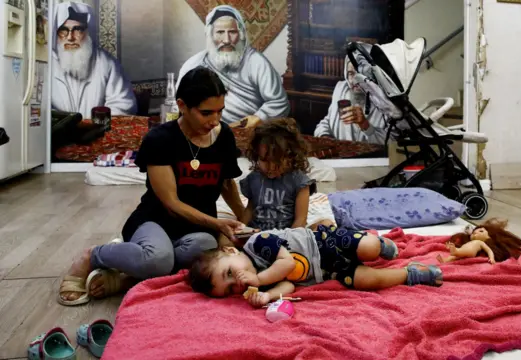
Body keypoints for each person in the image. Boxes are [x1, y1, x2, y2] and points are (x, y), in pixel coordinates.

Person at [57, 67, 246, 306]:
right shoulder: (160, 139)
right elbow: (171, 203)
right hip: (156, 220)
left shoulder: (224, 136)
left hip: (197, 229)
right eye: (206, 112)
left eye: (220, 111)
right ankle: (93, 256)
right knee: (160, 259)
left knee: (207, 250)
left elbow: (227, 183)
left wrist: (244, 221)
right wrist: (218, 223)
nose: (215, 120)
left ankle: (129, 274)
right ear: (182, 105)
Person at [189, 226, 443, 307]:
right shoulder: (260, 281)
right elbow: (289, 282)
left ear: (231, 251)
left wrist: (259, 281)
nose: (240, 280)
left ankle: (377, 241)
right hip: (328, 271)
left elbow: (286, 263)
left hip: (326, 243)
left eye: (230, 273)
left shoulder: (257, 243)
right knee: (368, 281)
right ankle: (410, 274)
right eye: (232, 289)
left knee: (368, 249)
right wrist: (269, 295)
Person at [177, 5, 289, 128]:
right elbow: (179, 102)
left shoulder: (256, 62)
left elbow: (279, 102)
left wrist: (257, 119)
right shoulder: (194, 64)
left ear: (240, 34)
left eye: (232, 32)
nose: (226, 40)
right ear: (210, 35)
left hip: (248, 131)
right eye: (220, 32)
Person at [240, 118, 331, 231]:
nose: (271, 167)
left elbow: (300, 220)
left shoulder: (300, 182)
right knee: (224, 238)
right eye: (264, 160)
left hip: (288, 235)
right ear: (256, 156)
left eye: (277, 161)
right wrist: (240, 229)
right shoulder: (254, 178)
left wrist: (287, 240)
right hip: (257, 236)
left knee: (326, 224)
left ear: (291, 157)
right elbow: (250, 209)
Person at [52, 2, 137, 119]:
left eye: (77, 30)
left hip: (97, 131)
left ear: (88, 32)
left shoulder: (106, 63)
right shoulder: (46, 64)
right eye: (63, 30)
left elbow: (123, 104)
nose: (70, 37)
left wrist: (93, 126)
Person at [313, 58, 388, 144]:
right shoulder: (341, 88)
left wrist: (365, 125)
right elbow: (327, 122)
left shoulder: (386, 100)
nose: (354, 81)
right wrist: (325, 136)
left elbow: (391, 142)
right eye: (351, 74)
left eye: (360, 74)